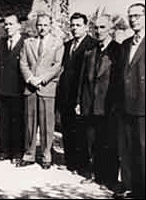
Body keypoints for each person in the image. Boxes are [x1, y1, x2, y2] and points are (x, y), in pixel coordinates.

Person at [77, 14, 120, 188]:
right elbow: (82, 79)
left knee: (108, 143)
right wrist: (79, 102)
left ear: (110, 29)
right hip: (89, 103)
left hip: (108, 105)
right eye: (96, 27)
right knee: (91, 141)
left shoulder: (118, 50)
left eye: (102, 27)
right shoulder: (90, 51)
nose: (98, 31)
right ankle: (94, 173)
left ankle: (107, 178)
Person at [19, 13, 64, 169]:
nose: (42, 28)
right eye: (39, 25)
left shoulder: (57, 43)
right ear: (35, 26)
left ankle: (46, 156)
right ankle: (29, 154)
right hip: (31, 88)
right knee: (29, 124)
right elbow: (23, 63)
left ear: (50, 26)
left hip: (46, 88)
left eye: (45, 25)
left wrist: (42, 79)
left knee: (47, 124)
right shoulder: (28, 43)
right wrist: (31, 79)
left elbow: (57, 65)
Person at [56, 12, 97, 173]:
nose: (74, 28)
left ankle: (83, 164)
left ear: (86, 27)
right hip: (66, 95)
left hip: (82, 95)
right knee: (67, 128)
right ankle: (71, 162)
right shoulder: (67, 46)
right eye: (72, 25)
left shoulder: (92, 45)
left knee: (81, 131)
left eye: (78, 25)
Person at [114, 3, 145, 199]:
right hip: (124, 106)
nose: (133, 19)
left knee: (142, 149)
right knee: (125, 149)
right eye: (130, 16)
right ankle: (128, 187)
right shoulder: (125, 44)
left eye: (137, 16)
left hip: (143, 106)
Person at [0, 14, 26, 166]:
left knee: (17, 122)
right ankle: (4, 151)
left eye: (11, 24)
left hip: (18, 89)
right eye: (5, 24)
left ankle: (17, 152)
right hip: (2, 89)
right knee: (2, 121)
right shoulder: (0, 42)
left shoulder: (26, 42)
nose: (7, 27)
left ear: (19, 25)